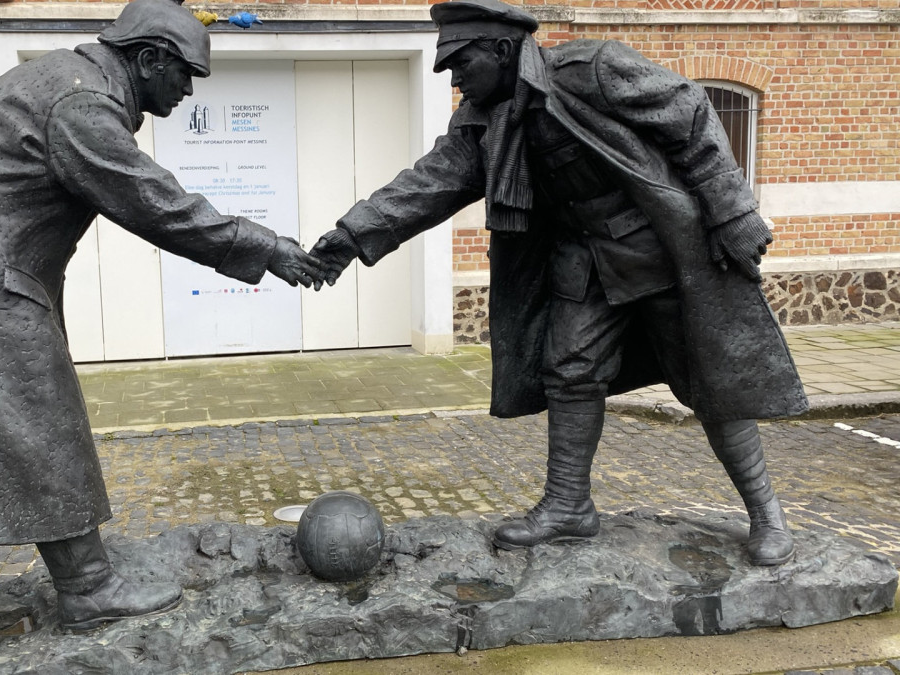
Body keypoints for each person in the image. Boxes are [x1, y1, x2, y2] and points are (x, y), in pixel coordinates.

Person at [0, 0, 325, 635]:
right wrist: (266, 248)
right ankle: (87, 585)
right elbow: (152, 201)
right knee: (39, 416)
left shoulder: (54, 76)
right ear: (150, 58)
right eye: (186, 73)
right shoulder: (82, 103)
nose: (188, 90)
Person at [310, 0, 808, 566]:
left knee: (710, 378)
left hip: (657, 250)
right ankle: (569, 504)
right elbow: (428, 184)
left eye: (461, 64)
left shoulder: (591, 68)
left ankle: (767, 514)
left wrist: (734, 211)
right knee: (569, 371)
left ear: (500, 51)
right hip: (581, 259)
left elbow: (690, 114)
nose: (455, 80)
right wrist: (349, 237)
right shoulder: (482, 117)